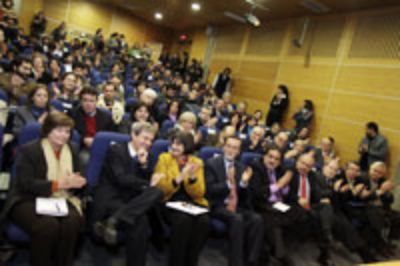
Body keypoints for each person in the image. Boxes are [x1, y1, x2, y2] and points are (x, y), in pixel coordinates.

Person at [3, 112, 86, 266]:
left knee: (72, 222)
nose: (64, 135)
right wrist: (59, 184)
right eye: (59, 130)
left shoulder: (73, 149)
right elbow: (25, 183)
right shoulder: (30, 150)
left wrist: (79, 182)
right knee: (48, 225)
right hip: (27, 198)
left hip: (61, 198)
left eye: (67, 131)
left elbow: (79, 176)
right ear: (48, 130)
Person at [92, 122, 164, 266]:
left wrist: (143, 165)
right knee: (140, 219)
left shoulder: (146, 156)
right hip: (111, 197)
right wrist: (146, 183)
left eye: (151, 140)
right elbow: (121, 179)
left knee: (157, 193)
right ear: (133, 135)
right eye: (145, 138)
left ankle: (115, 220)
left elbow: (143, 184)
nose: (148, 143)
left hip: (130, 201)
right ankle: (115, 219)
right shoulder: (116, 150)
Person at [206, 136, 264, 266]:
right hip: (218, 205)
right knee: (236, 218)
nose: (231, 150)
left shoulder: (241, 167)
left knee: (257, 219)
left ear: (239, 151)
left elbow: (245, 198)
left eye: (235, 148)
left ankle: (251, 261)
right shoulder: (211, 163)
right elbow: (209, 191)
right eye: (229, 146)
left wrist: (243, 183)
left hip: (236, 205)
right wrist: (228, 183)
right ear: (224, 147)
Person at [154, 132, 209, 266]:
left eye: (178, 144)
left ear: (187, 146)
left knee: (203, 221)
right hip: (168, 201)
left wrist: (192, 178)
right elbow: (160, 188)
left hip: (190, 202)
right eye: (172, 143)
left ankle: (191, 262)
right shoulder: (164, 158)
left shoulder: (197, 162)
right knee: (183, 220)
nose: (174, 146)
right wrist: (179, 177)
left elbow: (200, 194)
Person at [249, 146, 295, 265]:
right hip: (261, 204)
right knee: (272, 220)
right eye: (270, 156)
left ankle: (272, 248)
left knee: (299, 213)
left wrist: (285, 185)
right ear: (264, 156)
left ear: (279, 162)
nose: (272, 161)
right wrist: (279, 185)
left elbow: (285, 193)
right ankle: (281, 254)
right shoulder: (256, 167)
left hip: (278, 204)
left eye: (276, 159)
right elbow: (257, 193)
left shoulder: (279, 170)